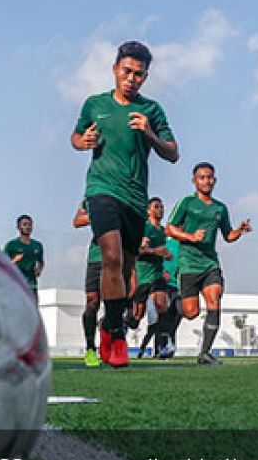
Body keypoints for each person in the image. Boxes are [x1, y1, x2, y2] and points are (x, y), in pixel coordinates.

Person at [71, 41, 178, 368]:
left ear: (146, 77)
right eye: (127, 71)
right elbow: (76, 137)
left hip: (135, 198)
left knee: (126, 269)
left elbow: (173, 153)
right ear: (115, 69)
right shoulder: (95, 104)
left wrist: (150, 134)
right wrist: (82, 142)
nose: (132, 78)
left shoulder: (152, 110)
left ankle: (109, 321)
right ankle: (115, 333)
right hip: (102, 189)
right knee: (112, 258)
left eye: (139, 75)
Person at [166, 162, 251, 365]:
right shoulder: (186, 203)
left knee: (214, 300)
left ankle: (205, 353)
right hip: (188, 264)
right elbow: (169, 228)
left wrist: (239, 231)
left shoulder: (220, 208)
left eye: (210, 177)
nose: (207, 180)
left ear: (215, 180)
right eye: (202, 177)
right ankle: (175, 306)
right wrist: (190, 236)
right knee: (191, 312)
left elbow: (228, 236)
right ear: (194, 181)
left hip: (210, 263)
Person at [133, 197, 173, 353]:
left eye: (162, 207)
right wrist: (157, 251)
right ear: (148, 210)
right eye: (156, 206)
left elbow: (162, 252)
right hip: (142, 276)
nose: (160, 209)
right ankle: (115, 326)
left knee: (162, 306)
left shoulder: (162, 232)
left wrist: (166, 257)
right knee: (136, 317)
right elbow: (139, 251)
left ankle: (163, 344)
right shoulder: (144, 228)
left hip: (157, 276)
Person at [72, 202, 104, 367]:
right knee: (92, 301)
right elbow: (77, 221)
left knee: (118, 303)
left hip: (120, 255)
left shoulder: (126, 189)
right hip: (97, 257)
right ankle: (91, 349)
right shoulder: (93, 193)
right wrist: (102, 213)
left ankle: (111, 339)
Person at [3, 215, 44, 297]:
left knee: (32, 309)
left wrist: (39, 269)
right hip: (16, 285)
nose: (28, 227)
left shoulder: (37, 245)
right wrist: (14, 261)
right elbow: (2, 264)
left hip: (32, 286)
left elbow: (41, 262)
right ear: (18, 227)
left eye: (30, 224)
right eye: (25, 224)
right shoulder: (11, 245)